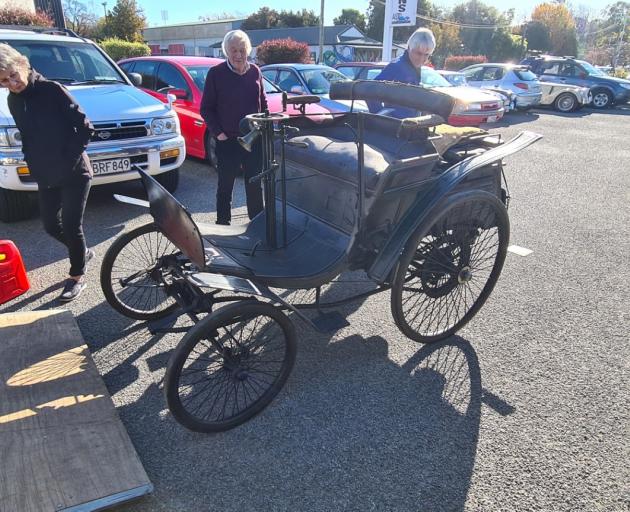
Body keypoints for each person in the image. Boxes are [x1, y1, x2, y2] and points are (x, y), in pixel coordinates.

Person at [0, 43, 94, 302]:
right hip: (46, 173)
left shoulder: (52, 90)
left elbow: (85, 127)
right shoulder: (13, 100)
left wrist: (69, 158)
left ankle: (76, 277)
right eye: (5, 81)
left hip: (75, 172)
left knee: (73, 227)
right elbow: (28, 136)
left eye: (13, 75)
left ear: (22, 65)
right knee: (51, 226)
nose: (12, 83)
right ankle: (82, 252)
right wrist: (31, 160)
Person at [200, 30, 266, 226]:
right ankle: (222, 225)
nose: (238, 55)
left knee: (254, 185)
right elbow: (206, 108)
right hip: (227, 140)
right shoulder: (216, 74)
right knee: (225, 187)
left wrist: (266, 123)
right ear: (226, 52)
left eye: (242, 49)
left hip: (254, 139)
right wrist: (219, 134)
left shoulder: (255, 71)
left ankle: (257, 225)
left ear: (248, 50)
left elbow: (263, 102)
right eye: (233, 50)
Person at [367, 28, 436, 119]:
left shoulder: (415, 68)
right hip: (394, 128)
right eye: (418, 53)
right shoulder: (397, 66)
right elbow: (370, 91)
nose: (422, 59)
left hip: (409, 126)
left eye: (426, 54)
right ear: (409, 48)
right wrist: (382, 118)